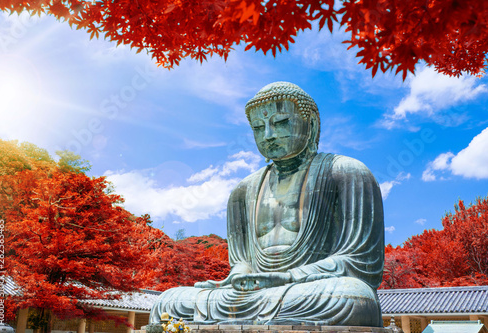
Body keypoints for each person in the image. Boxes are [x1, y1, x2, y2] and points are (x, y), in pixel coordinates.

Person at [149, 82, 384, 326]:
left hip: (311, 289)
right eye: (259, 128)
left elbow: (360, 263)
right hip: (255, 294)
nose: (268, 135)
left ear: (311, 124)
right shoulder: (243, 190)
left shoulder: (346, 172)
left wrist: (286, 277)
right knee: (168, 302)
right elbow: (242, 262)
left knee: (352, 298)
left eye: (281, 122)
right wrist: (238, 278)